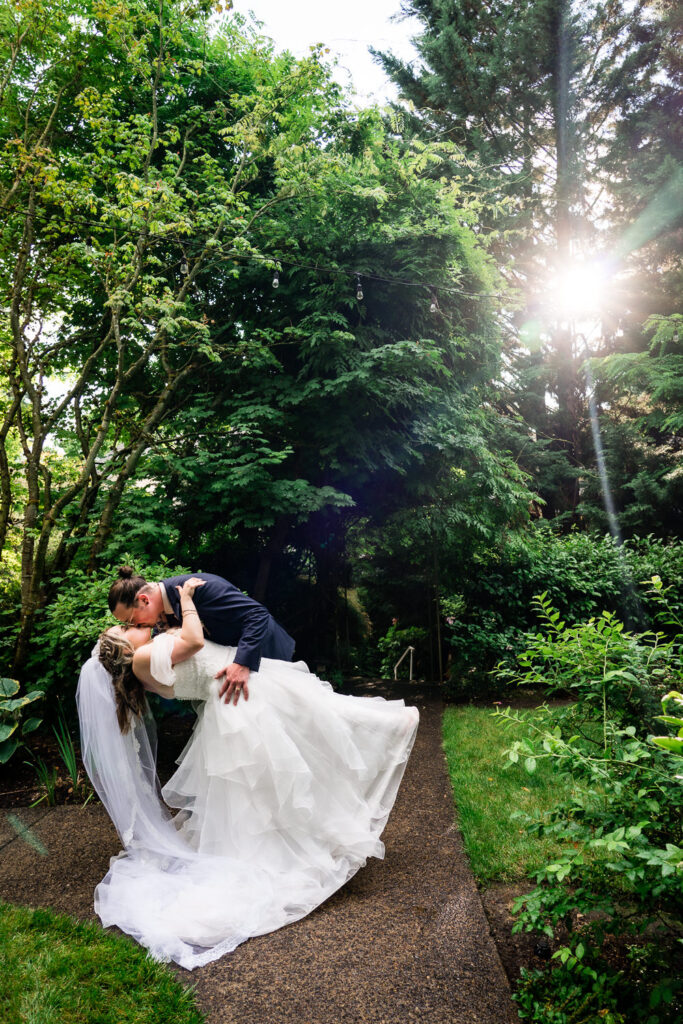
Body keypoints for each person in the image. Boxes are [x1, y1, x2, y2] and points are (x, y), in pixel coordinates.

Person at [77, 578, 419, 970]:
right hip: (241, 695)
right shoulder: (146, 655)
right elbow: (195, 642)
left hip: (233, 698)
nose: (138, 625)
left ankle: (314, 818)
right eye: (129, 628)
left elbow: (197, 645)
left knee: (299, 744)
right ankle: (391, 731)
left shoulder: (148, 658)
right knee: (315, 728)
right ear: (126, 649)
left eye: (132, 619)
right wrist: (186, 600)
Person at [108, 566, 295, 704]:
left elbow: (257, 615)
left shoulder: (200, 588)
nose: (135, 626)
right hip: (231, 684)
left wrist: (242, 663)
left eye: (131, 619)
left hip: (267, 652)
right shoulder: (160, 617)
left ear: (144, 600)